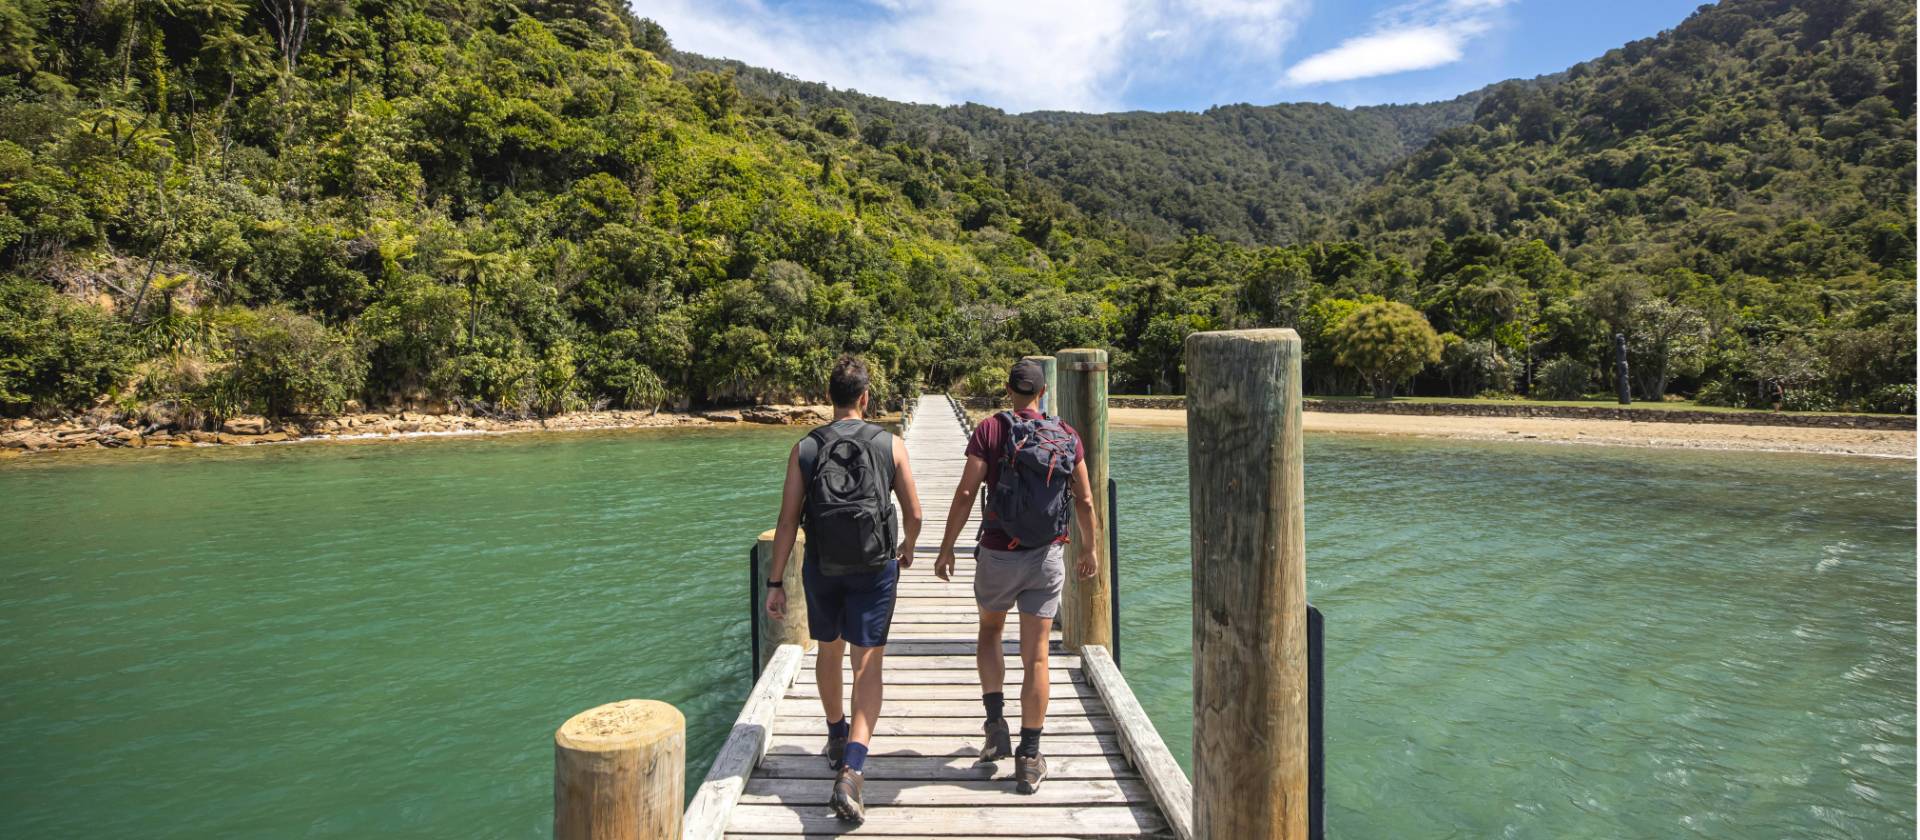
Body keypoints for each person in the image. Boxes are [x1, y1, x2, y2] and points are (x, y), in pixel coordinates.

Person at [764, 356, 922, 825]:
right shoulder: (889, 443)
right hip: (875, 567)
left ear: (829, 397)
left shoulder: (805, 449)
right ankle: (853, 767)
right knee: (867, 660)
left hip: (822, 568)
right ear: (865, 398)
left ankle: (835, 735)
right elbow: (914, 513)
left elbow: (788, 521)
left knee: (828, 652)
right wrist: (907, 548)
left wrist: (776, 583)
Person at [933, 359, 1099, 795]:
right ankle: (1029, 756)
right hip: (1046, 556)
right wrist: (1091, 548)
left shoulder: (991, 430)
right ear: (1044, 393)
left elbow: (968, 491)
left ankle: (995, 725)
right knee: (1037, 655)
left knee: (990, 631)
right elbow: (1083, 499)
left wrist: (947, 546)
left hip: (998, 553)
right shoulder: (1066, 434)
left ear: (1009, 391)